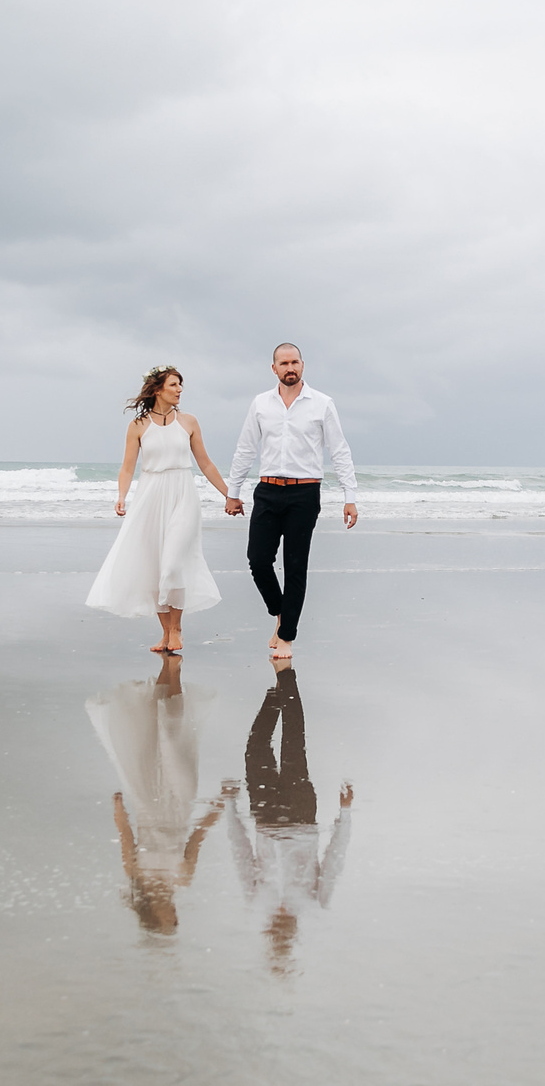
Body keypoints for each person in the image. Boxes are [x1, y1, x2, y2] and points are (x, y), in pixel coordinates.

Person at [85, 365, 236, 654]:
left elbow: (205, 463)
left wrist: (230, 495)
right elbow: (128, 466)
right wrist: (121, 496)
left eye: (180, 385)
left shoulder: (189, 422)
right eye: (174, 385)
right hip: (150, 496)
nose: (179, 390)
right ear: (157, 390)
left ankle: (177, 628)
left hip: (183, 494)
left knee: (173, 562)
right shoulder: (139, 426)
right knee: (154, 566)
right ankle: (165, 633)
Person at [222, 343, 357, 660]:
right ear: (274, 369)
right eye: (283, 363)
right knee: (258, 560)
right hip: (267, 490)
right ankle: (281, 613)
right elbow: (245, 449)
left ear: (303, 365)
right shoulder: (260, 404)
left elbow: (339, 451)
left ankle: (286, 637)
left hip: (304, 493)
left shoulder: (322, 404)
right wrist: (233, 491)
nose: (289, 367)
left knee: (296, 566)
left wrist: (350, 497)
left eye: (294, 361)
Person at [219, 667, 353, 974]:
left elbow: (242, 856)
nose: (278, 929)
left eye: (274, 934)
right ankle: (287, 679)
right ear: (291, 935)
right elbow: (333, 863)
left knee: (255, 748)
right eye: (283, 935)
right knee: (293, 742)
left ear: (268, 931)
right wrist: (344, 814)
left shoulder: (257, 903)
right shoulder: (313, 905)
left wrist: (230, 805)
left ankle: (277, 694)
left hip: (265, 818)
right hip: (301, 817)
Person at [87, 657, 228, 935]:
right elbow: (197, 836)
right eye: (176, 922)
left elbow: (126, 837)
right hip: (181, 801)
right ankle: (173, 668)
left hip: (147, 801)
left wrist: (119, 807)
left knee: (157, 733)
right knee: (174, 739)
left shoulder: (135, 874)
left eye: (169, 922)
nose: (175, 918)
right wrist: (220, 803)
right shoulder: (183, 879)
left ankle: (169, 666)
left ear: (154, 915)